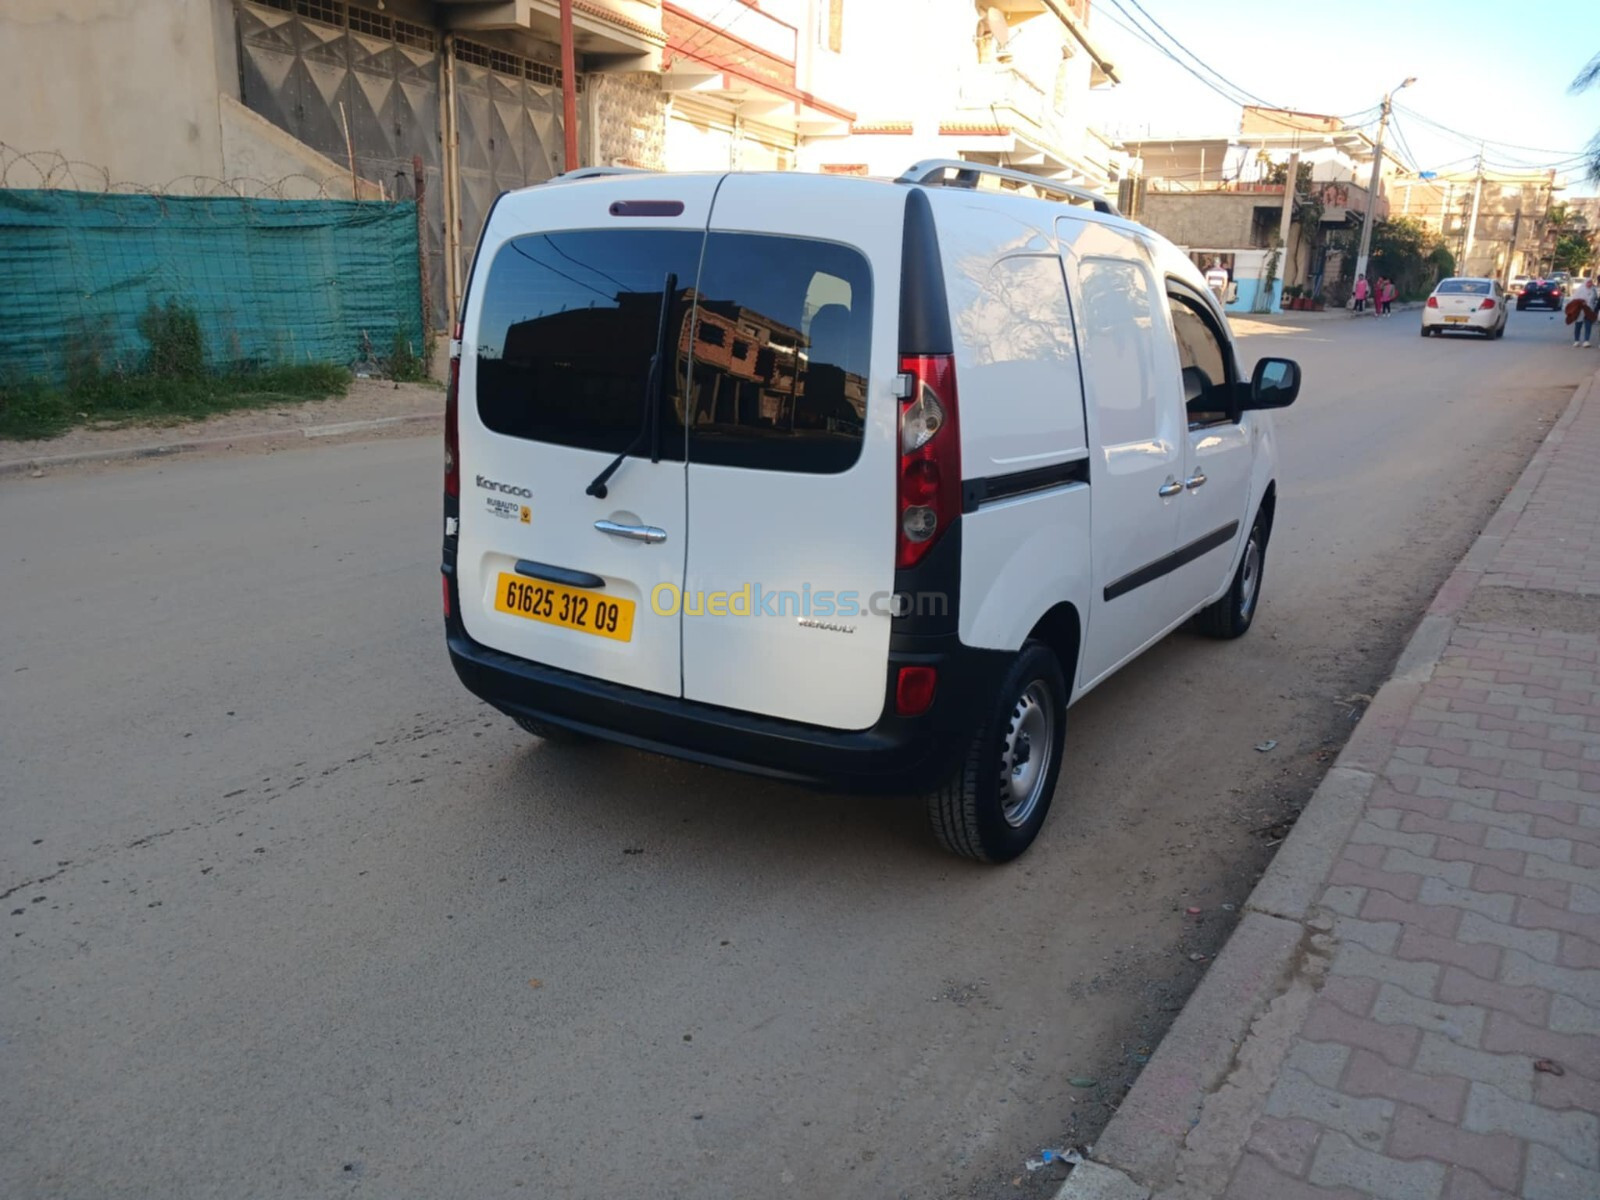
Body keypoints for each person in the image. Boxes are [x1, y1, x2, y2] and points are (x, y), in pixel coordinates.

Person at [1567, 276, 1596, 347]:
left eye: (1591, 282)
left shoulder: (1593, 290)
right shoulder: (1580, 290)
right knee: (1578, 326)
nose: (1590, 284)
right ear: (1585, 283)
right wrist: (1581, 302)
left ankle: (1586, 341)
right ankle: (1577, 340)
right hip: (1580, 311)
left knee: (1588, 326)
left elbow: (1594, 300)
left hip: (1589, 311)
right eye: (1588, 282)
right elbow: (1574, 299)